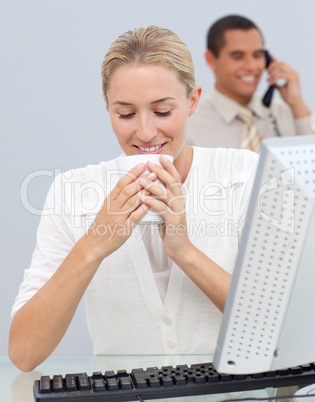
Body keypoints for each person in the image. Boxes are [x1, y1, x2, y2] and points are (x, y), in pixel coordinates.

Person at [9, 25, 258, 372]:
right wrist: (93, 245)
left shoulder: (244, 175)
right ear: (108, 108)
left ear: (193, 101)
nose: (144, 132)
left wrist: (184, 253)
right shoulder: (72, 191)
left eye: (162, 111)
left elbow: (272, 329)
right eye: (125, 114)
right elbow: (24, 353)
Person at [187, 15, 315, 151]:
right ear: (211, 60)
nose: (251, 66)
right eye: (238, 56)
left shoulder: (285, 113)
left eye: (257, 55)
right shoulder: (189, 122)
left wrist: (297, 105)